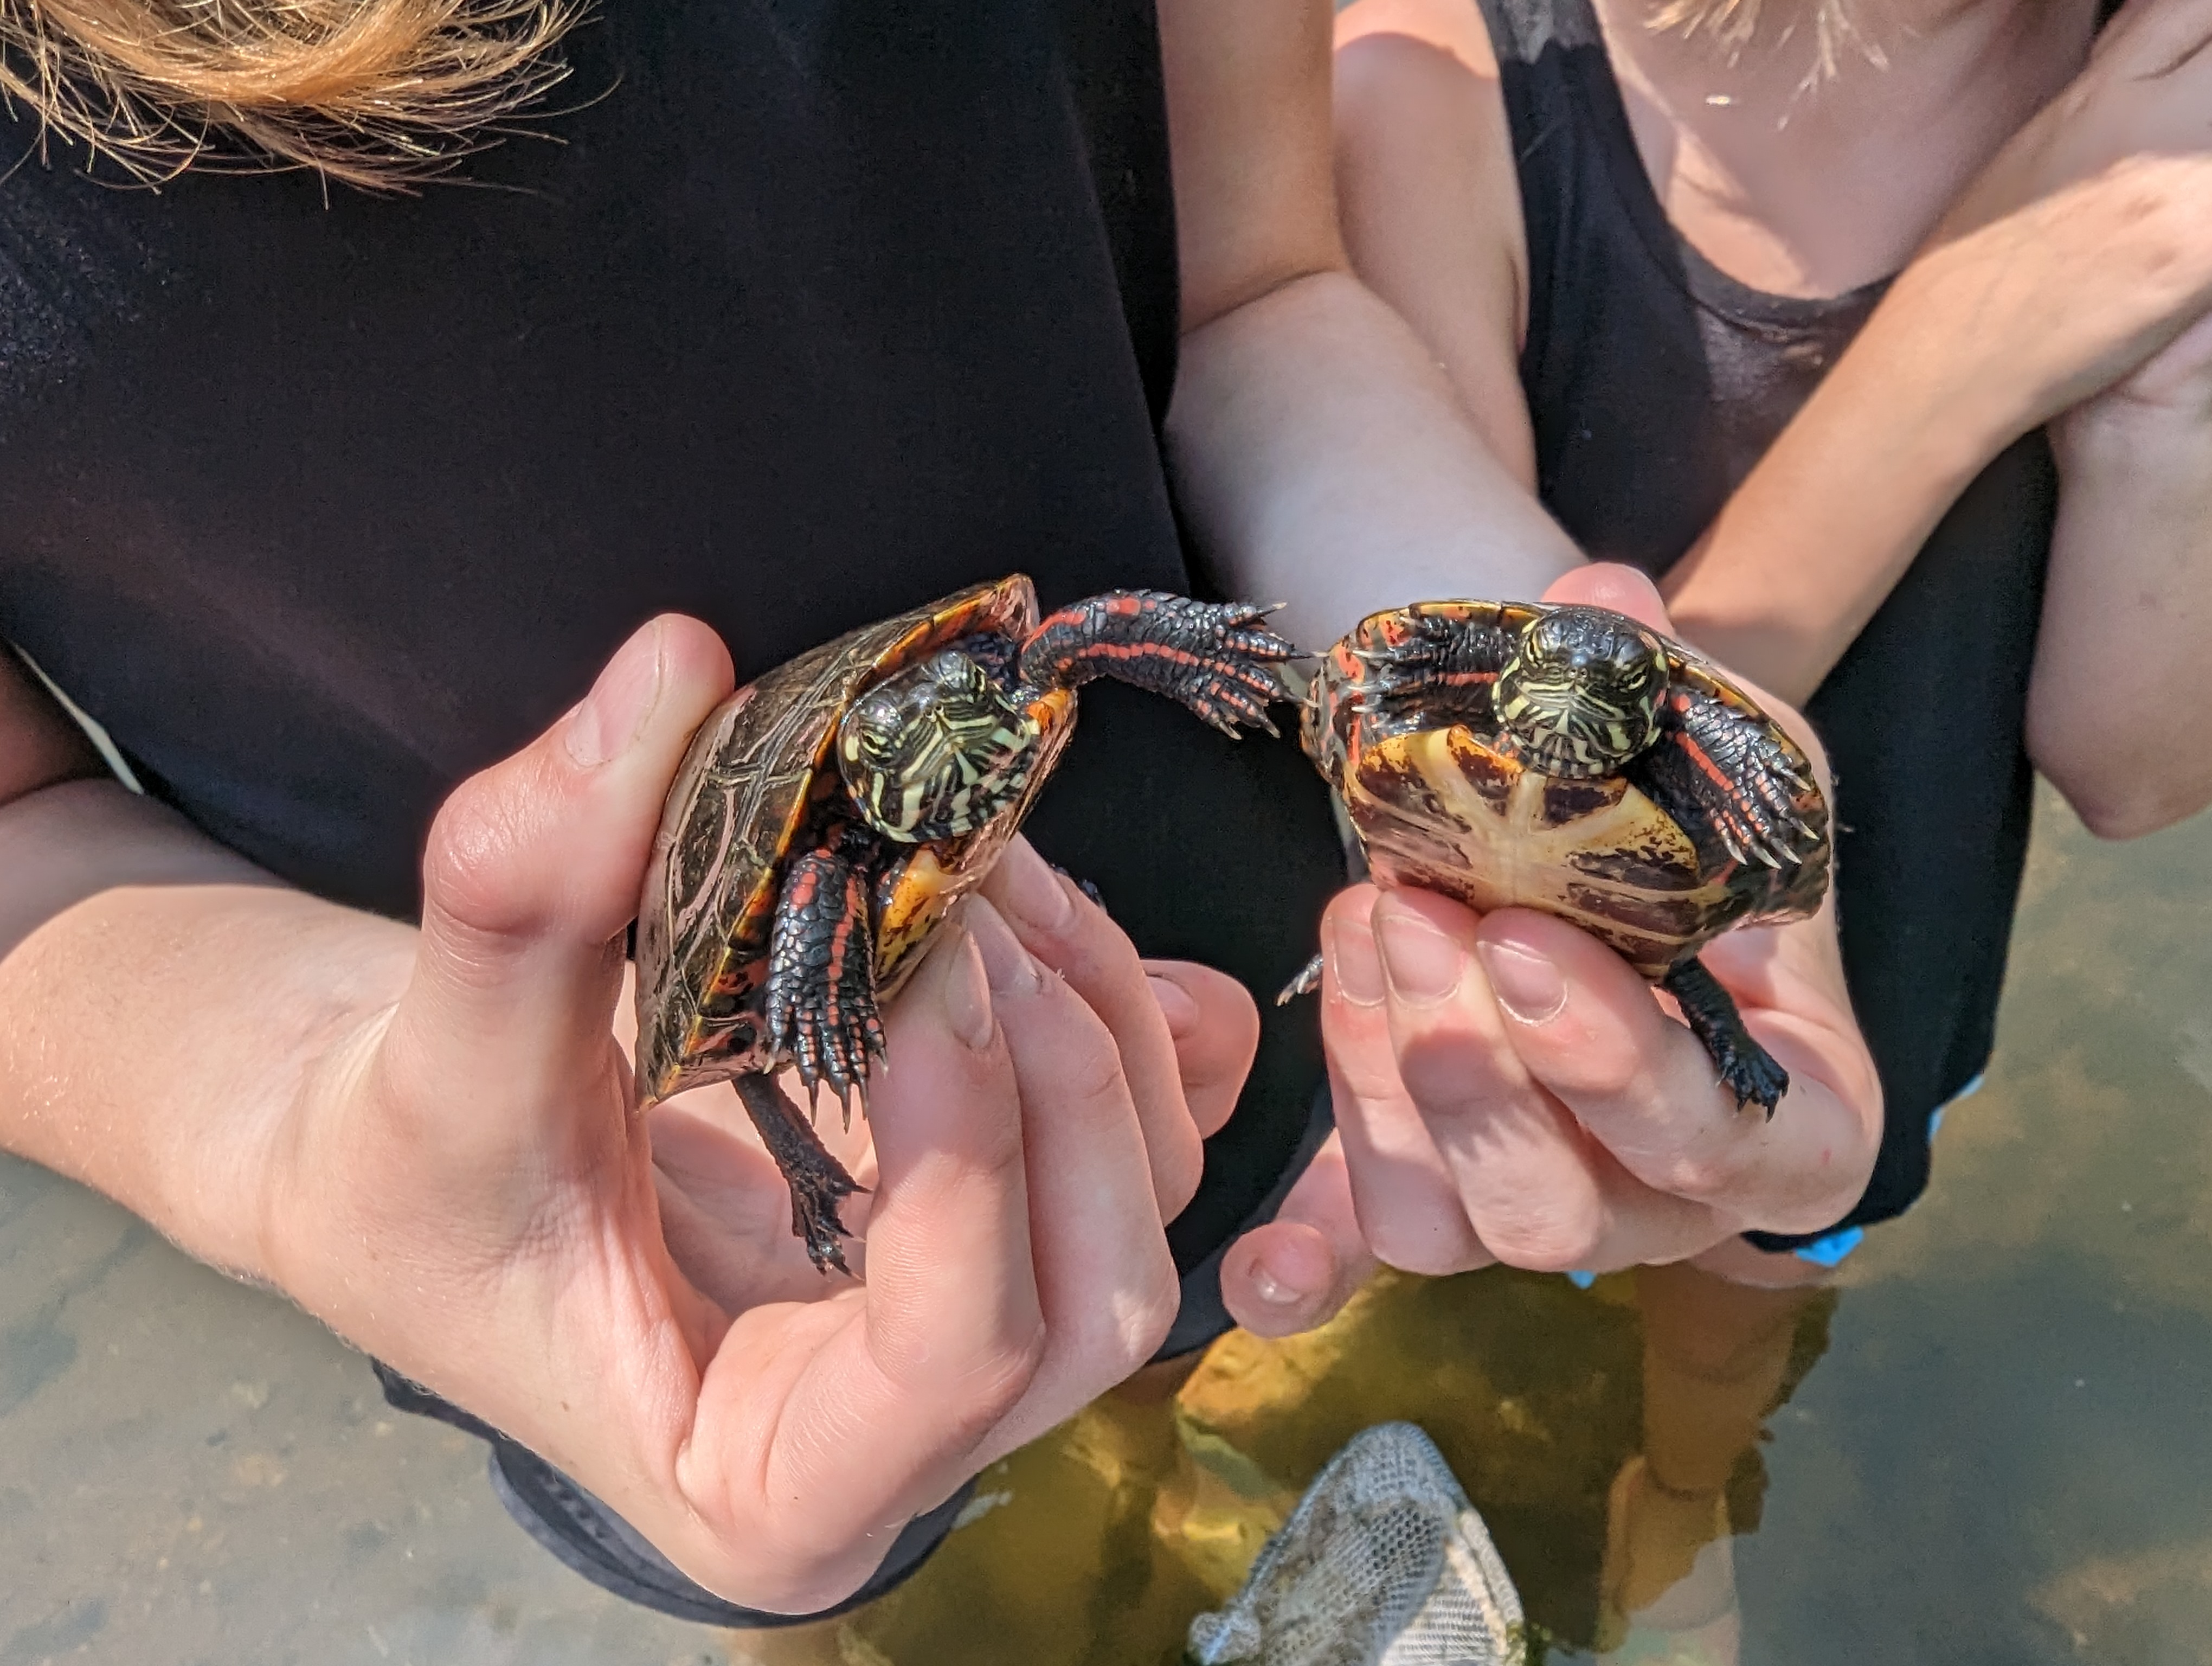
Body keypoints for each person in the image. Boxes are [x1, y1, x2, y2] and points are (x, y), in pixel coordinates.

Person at [0, 0, 1882, 1633]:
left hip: (1212, 978)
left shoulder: (1003, 689)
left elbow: (1259, 296)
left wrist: (1469, 654)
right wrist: (314, 1146)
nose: (981, 736)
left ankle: (1149, 1449)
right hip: (620, 1205)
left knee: (1159, 1308)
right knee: (792, 1555)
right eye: (959, 742)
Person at [1199, 0, 2212, 1654]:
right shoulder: (1434, 82)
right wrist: (1974, 337)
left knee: (1750, 1265)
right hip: (1532, 929)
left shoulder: (2167, 114)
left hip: (1864, 967)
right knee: (1444, 1174)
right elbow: (1514, 759)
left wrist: (2163, 402)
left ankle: (1679, 1484)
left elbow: (2138, 771)